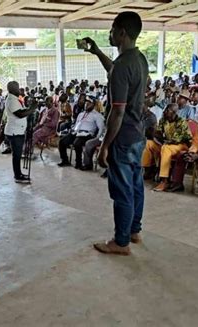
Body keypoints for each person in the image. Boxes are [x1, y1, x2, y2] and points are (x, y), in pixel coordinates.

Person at [83, 11, 148, 255]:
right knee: (135, 185)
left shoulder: (123, 65)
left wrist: (104, 145)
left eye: (112, 29)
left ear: (121, 33)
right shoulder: (138, 59)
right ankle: (134, 231)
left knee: (122, 190)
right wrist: (97, 51)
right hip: (137, 135)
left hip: (122, 136)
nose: (109, 33)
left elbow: (117, 112)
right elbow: (115, 71)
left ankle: (120, 243)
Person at [142, 103, 192, 192]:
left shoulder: (181, 122)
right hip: (167, 144)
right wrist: (156, 135)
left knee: (166, 148)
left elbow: (177, 139)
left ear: (173, 113)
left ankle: (164, 180)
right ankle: (148, 170)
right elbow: (158, 133)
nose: (164, 112)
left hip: (181, 146)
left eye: (167, 110)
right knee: (148, 143)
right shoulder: (163, 120)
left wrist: (164, 140)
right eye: (165, 110)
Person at [57, 95, 104, 169]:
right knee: (62, 141)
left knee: (77, 143)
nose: (86, 104)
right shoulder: (81, 114)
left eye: (89, 103)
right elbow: (76, 124)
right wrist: (73, 130)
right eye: (86, 103)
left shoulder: (97, 115)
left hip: (87, 134)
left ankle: (78, 163)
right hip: (77, 132)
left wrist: (96, 139)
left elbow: (101, 128)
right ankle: (65, 160)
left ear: (93, 104)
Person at [4, 81, 36, 184]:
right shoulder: (11, 100)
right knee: (17, 155)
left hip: (18, 130)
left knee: (17, 155)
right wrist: (32, 108)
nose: (19, 89)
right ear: (13, 89)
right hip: (15, 132)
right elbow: (20, 114)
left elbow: (22, 110)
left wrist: (28, 108)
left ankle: (18, 174)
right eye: (17, 88)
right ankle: (17, 175)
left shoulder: (15, 99)